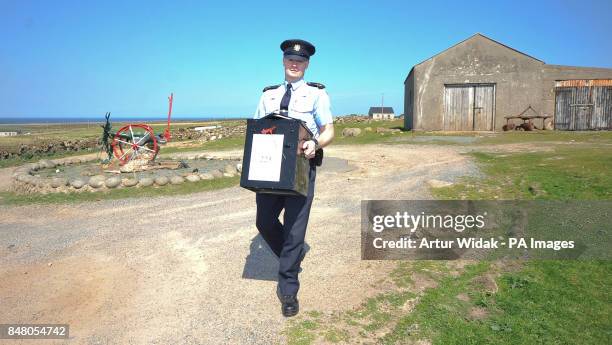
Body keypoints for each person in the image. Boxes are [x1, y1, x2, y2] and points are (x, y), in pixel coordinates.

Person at [253, 39, 334, 317]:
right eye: (290, 59)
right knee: (264, 221)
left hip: (301, 165)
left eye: (300, 60)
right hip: (270, 167)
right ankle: (292, 254)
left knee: (295, 229)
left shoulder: (317, 95)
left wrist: (317, 144)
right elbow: (257, 129)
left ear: (307, 64)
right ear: (284, 61)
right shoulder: (268, 95)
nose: (294, 63)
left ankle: (288, 287)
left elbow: (328, 130)